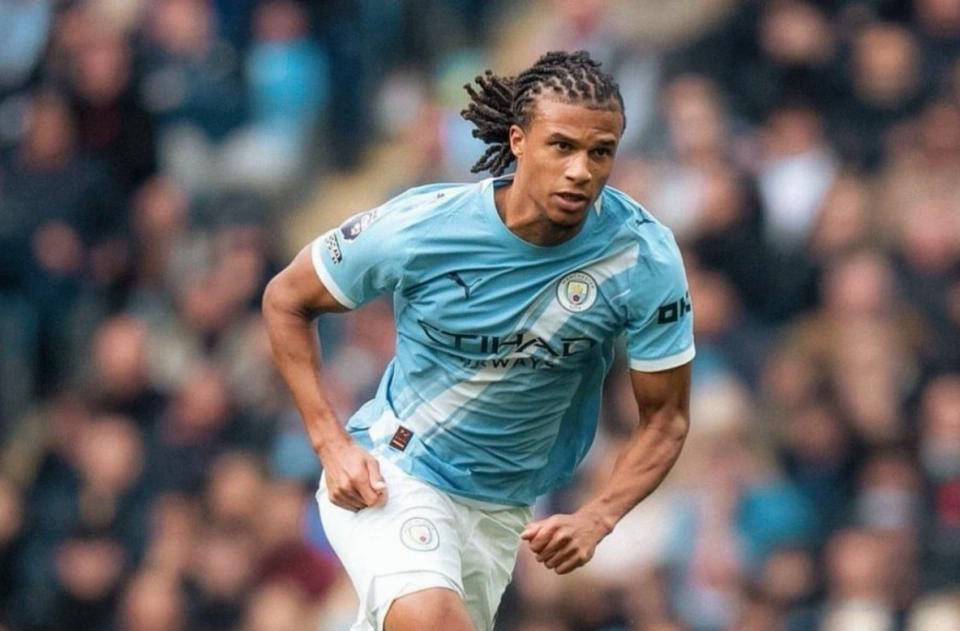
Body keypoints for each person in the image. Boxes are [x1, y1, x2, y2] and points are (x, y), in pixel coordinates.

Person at [262, 50, 694, 631]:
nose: (581, 171)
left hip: (501, 511)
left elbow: (665, 419)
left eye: (601, 152)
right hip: (398, 468)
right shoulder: (424, 227)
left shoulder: (642, 257)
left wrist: (598, 516)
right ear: (518, 141)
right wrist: (330, 443)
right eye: (561, 146)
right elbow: (286, 299)